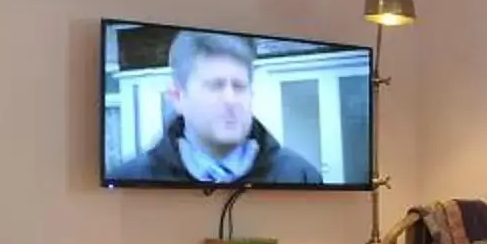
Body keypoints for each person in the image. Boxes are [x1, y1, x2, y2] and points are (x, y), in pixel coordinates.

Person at [110, 31, 326, 186]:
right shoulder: (131, 178)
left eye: (239, 86)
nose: (230, 99)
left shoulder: (300, 175)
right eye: (215, 85)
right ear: (177, 97)